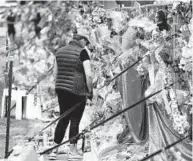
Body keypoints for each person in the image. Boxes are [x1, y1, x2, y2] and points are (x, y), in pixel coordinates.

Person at [49, 34, 93, 160]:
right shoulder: (82, 52)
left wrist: (60, 87)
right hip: (77, 90)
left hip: (62, 89)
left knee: (63, 118)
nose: (86, 45)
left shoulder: (60, 52)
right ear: (81, 40)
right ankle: (73, 152)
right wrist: (90, 90)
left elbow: (55, 73)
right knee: (75, 120)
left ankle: (53, 151)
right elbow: (88, 75)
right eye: (86, 42)